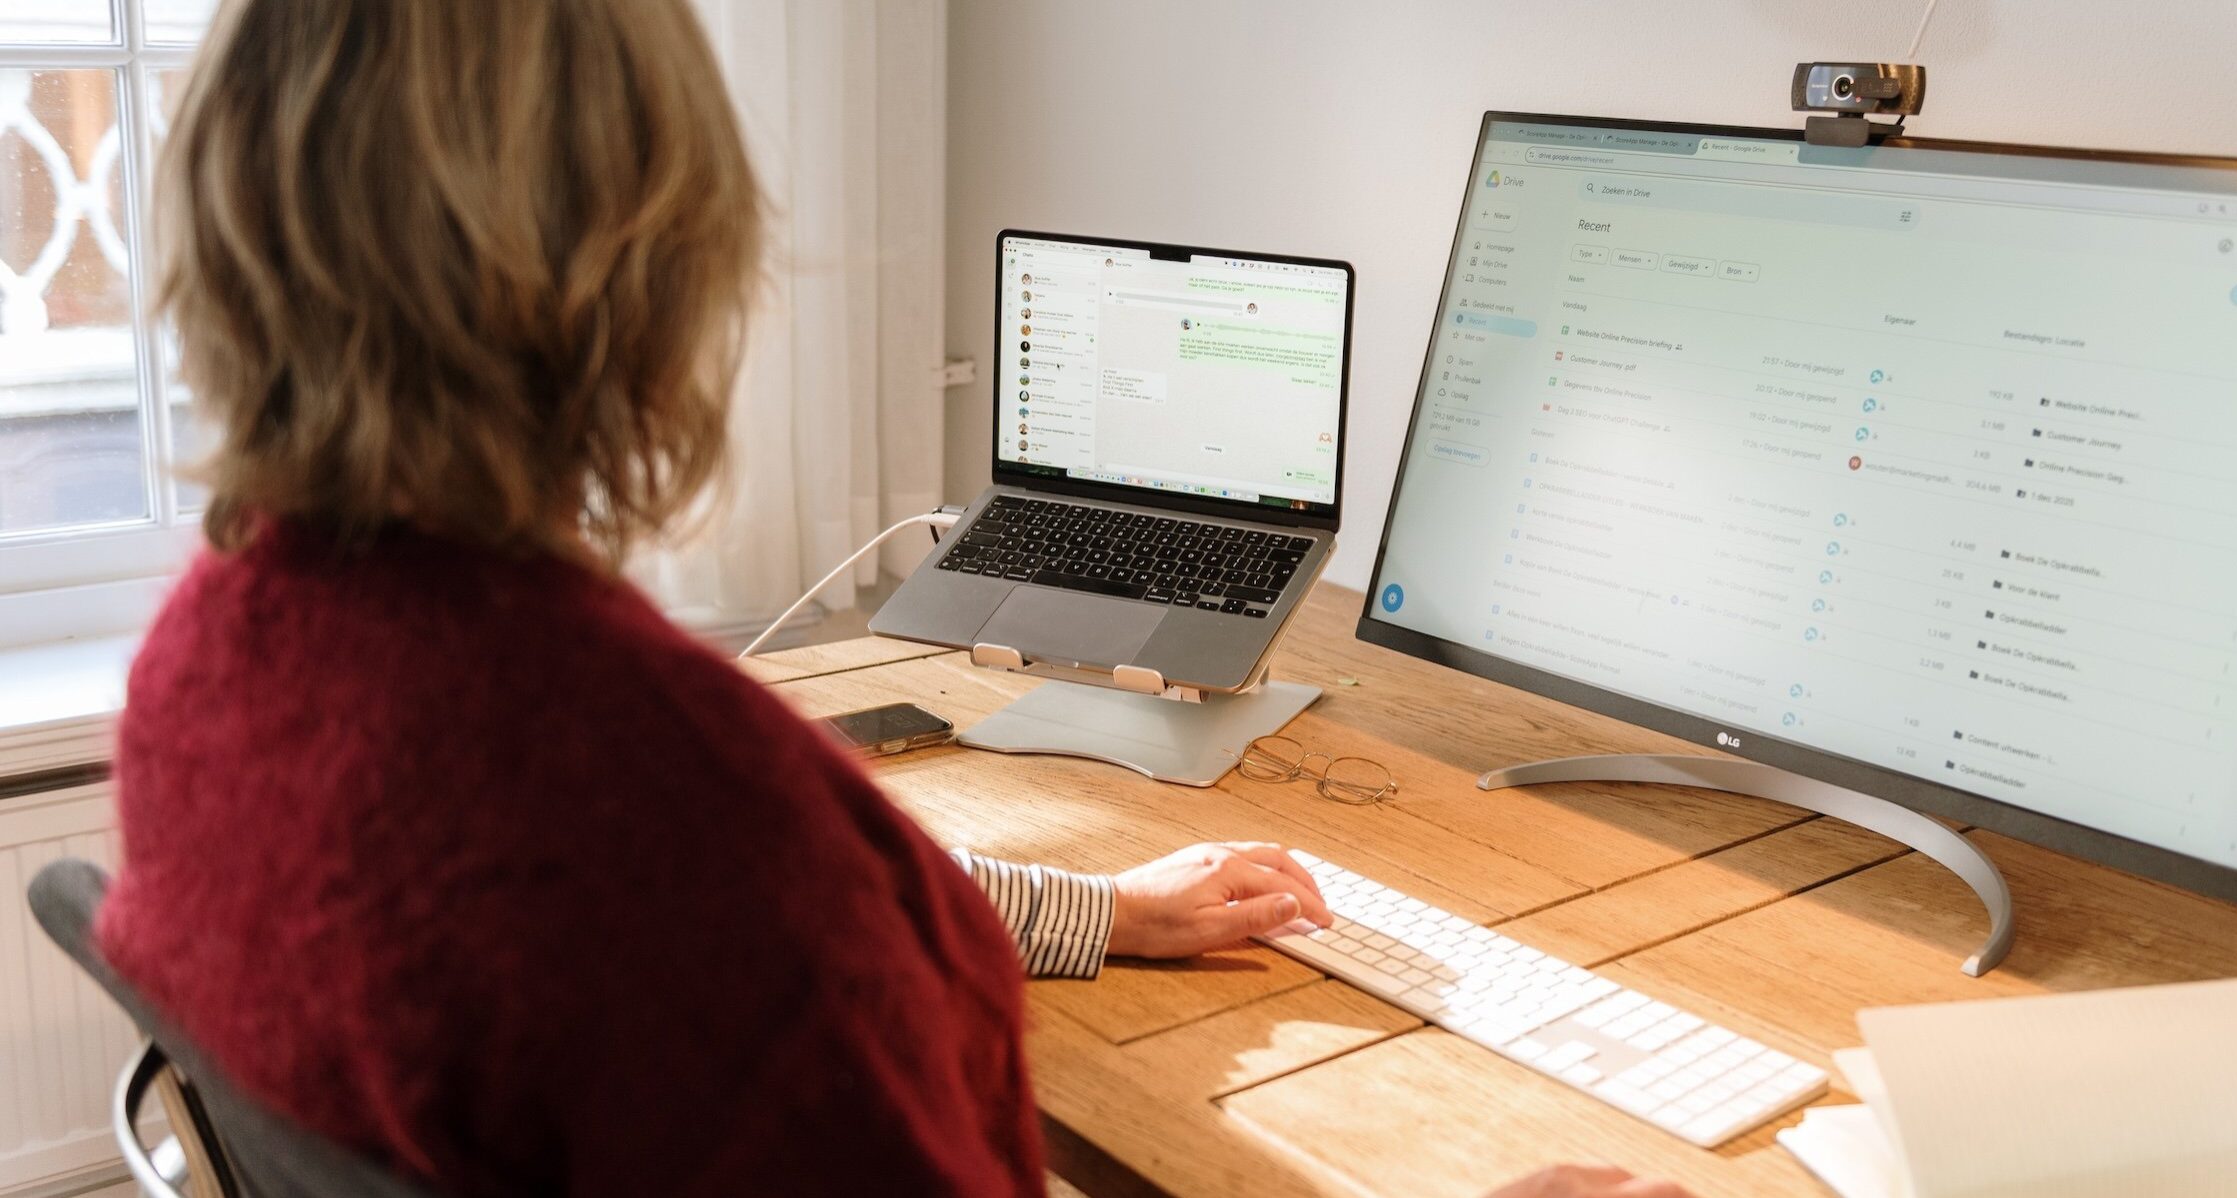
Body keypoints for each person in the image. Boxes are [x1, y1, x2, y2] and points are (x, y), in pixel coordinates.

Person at [98, 3, 1693, 1197]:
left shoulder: (210, 659)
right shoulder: (662, 799)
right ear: (648, 258)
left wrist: (1104, 910)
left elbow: (732, 927)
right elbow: (726, 906)